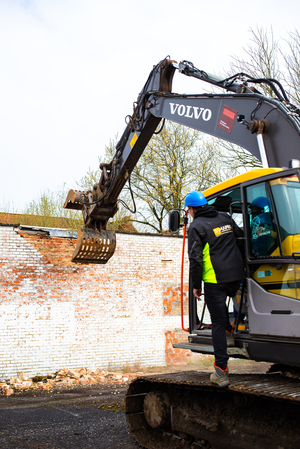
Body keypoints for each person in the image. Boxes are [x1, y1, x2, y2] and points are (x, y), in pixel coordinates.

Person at [185, 191, 244, 387]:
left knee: (217, 323)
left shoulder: (196, 226)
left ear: (192, 209)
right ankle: (231, 329)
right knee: (233, 307)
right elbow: (240, 238)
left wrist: (195, 285)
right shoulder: (225, 218)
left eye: (188, 210)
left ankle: (221, 372)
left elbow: (195, 258)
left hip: (215, 280)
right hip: (236, 276)